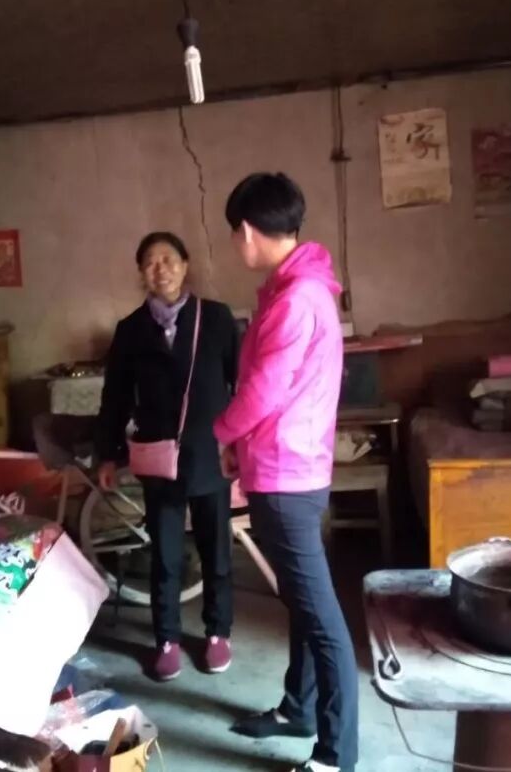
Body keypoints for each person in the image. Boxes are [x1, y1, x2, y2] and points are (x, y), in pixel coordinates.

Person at [213, 174, 358, 772]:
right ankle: (298, 709)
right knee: (302, 603)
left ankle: (335, 755)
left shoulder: (295, 299)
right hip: (292, 466)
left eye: (234, 234)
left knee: (322, 621)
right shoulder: (298, 288)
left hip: (285, 475)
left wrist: (219, 434)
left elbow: (261, 392)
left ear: (248, 231)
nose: (235, 244)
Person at [95, 231, 240, 681]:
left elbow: (241, 384)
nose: (161, 269)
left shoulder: (216, 319)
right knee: (166, 553)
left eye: (169, 259)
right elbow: (115, 398)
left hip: (212, 453)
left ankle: (217, 632)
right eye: (151, 262)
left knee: (217, 550)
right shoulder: (130, 330)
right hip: (160, 458)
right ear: (142, 272)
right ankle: (167, 640)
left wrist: (243, 443)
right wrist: (107, 455)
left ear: (185, 265)